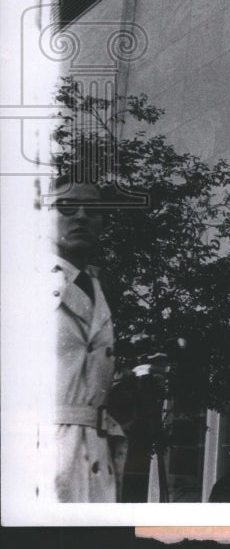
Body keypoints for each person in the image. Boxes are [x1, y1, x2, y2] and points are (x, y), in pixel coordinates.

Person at [48, 172, 127, 501]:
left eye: (92, 209)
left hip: (96, 455)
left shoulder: (97, 287)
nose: (80, 215)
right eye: (65, 206)